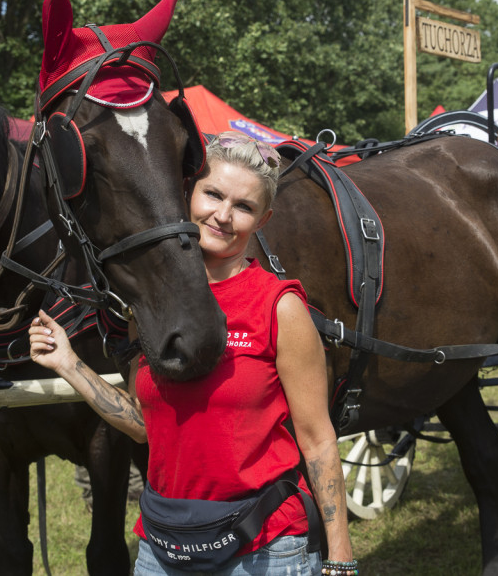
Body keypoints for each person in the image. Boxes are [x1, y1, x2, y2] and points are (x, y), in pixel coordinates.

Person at [29, 131, 356, 576]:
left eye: (244, 207)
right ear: (187, 194)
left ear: (263, 220)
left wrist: (340, 560)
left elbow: (317, 440)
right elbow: (146, 426)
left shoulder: (279, 306)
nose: (223, 215)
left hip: (263, 549)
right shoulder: (150, 307)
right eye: (213, 194)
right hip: (163, 548)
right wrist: (69, 365)